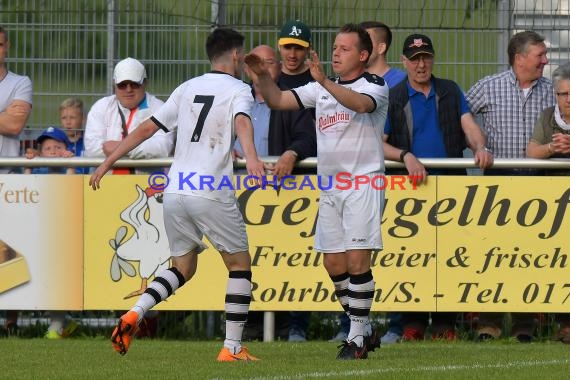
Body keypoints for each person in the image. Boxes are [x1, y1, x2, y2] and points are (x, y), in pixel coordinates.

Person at [89, 27, 265, 362]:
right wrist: (252, 156)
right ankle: (232, 348)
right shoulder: (238, 88)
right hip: (209, 188)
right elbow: (242, 120)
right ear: (236, 56)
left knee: (183, 267)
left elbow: (146, 128)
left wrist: (107, 161)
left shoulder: (187, 87)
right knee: (240, 266)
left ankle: (134, 314)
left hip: (175, 189)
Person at [246, 23, 387, 360]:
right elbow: (278, 99)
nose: (336, 52)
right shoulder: (320, 89)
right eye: (335, 47)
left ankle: (355, 340)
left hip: (363, 184)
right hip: (331, 187)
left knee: (356, 260)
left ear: (363, 55)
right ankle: (363, 327)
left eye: (345, 48)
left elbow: (362, 105)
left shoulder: (375, 85)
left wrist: (323, 81)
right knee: (333, 263)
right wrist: (262, 76)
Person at [383, 33, 493, 342]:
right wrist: (406, 156)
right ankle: (413, 321)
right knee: (413, 255)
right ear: (403, 62)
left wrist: (479, 148)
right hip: (410, 191)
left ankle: (446, 322)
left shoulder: (450, 90)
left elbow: (469, 126)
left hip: (450, 185)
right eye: (415, 59)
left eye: (426, 57)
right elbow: (380, 144)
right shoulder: (394, 96)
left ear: (433, 59)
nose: (421, 64)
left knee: (450, 255)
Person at [466, 30, 555, 342]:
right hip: (498, 184)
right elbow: (462, 114)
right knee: (494, 253)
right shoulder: (489, 86)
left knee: (530, 255)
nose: (545, 61)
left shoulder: (552, 90)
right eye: (540, 55)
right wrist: (477, 144)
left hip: (539, 184)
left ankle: (523, 325)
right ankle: (487, 324)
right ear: (520, 58)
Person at [236, 43, 317, 343]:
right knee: (245, 260)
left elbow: (308, 136)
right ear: (247, 68)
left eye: (269, 63)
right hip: (240, 196)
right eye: (256, 63)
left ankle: (289, 327)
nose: (263, 69)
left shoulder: (290, 100)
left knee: (285, 261)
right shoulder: (235, 98)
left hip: (283, 196)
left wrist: (292, 153)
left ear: (279, 67)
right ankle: (250, 325)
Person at [526, 62, 570, 344]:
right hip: (554, 204)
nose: (569, 100)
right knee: (558, 262)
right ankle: (562, 323)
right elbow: (531, 151)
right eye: (564, 94)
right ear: (556, 96)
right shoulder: (547, 117)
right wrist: (553, 148)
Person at [84, 57, 175, 174]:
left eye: (134, 84)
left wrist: (121, 147)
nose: (128, 89)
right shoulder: (101, 106)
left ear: (145, 83)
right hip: (104, 185)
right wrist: (137, 148)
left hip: (146, 186)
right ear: (114, 84)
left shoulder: (159, 108)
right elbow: (91, 148)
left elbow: (162, 148)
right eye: (122, 85)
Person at [0, 25, 33, 174]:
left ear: (7, 46)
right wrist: (4, 114)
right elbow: (7, 122)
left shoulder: (21, 82)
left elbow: (14, 125)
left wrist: (9, 118)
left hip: (7, 174)